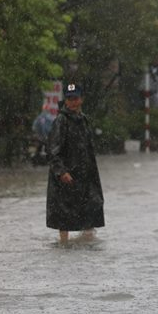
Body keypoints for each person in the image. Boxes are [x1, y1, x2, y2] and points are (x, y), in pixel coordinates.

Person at [47, 82, 105, 243]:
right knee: (63, 212)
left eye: (75, 98)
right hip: (66, 175)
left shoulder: (84, 119)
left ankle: (87, 241)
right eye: (69, 98)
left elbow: (88, 149)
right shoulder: (61, 120)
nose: (73, 102)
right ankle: (63, 243)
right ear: (65, 100)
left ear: (81, 99)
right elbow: (53, 150)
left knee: (91, 207)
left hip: (85, 175)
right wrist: (61, 172)